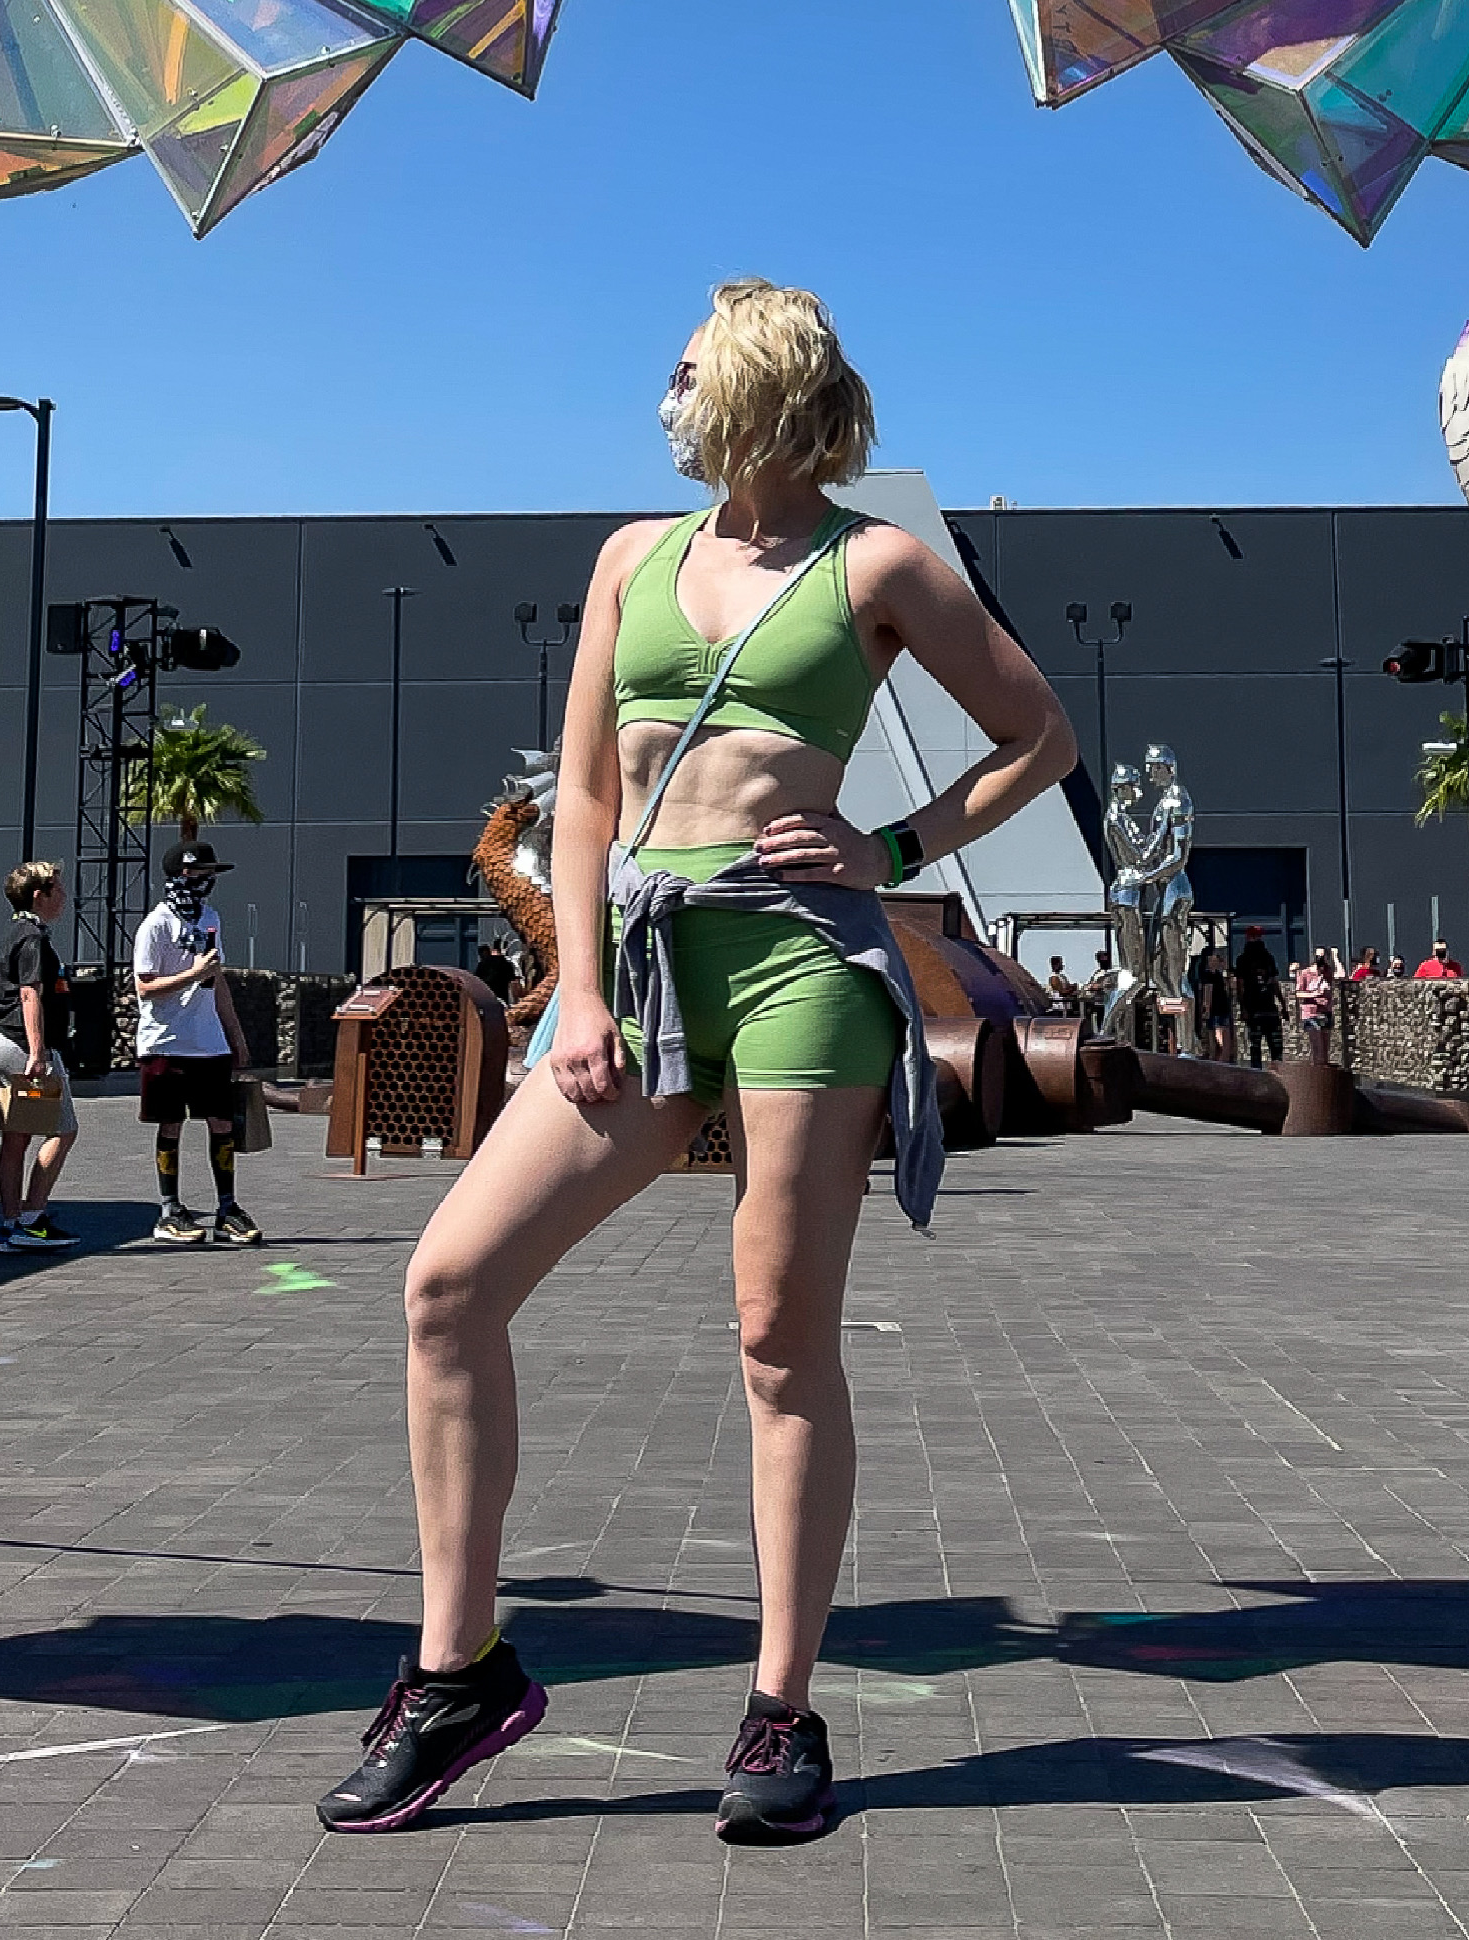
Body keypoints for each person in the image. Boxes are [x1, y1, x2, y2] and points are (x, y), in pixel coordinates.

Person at [317, 278, 1075, 1851]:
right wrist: (576, 989)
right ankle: (456, 1673)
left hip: (804, 960)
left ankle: (781, 1704)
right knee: (448, 1285)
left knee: (777, 1341)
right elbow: (584, 794)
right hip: (644, 967)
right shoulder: (629, 560)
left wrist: (892, 843)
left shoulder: (877, 563)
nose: (660, 402)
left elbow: (1038, 736)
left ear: (749, 389)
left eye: (679, 376)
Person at [134, 841, 260, 1249]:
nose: (207, 883)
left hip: (208, 1041)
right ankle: (169, 1208)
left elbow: (217, 980)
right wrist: (193, 974)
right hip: (166, 1041)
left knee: (221, 1122)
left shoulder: (210, 918)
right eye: (199, 874)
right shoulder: (155, 925)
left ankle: (228, 1207)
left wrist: (235, 1035)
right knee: (171, 1123)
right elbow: (145, 986)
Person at [0, 859, 78, 1253]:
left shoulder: (23, 933)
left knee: (17, 1136)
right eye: (56, 889)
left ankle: (13, 1225)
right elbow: (29, 994)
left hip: (4, 1041)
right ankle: (30, 1216)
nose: (63, 896)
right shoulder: (32, 939)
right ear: (38, 896)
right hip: (23, 1047)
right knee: (63, 1129)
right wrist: (38, 1052)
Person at [1234, 928, 1284, 1067]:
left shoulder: (1267, 957)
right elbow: (1240, 985)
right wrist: (1243, 1008)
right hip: (1254, 1009)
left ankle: (1277, 1075)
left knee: (1275, 1046)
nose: (1256, 939)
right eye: (1254, 936)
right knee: (1256, 1046)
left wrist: (1283, 1005)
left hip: (1267, 1008)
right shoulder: (1244, 959)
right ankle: (1259, 1075)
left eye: (1258, 936)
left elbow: (1274, 982)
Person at [1292, 948, 1335, 1066]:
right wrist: (1313, 994)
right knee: (1317, 1045)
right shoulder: (1305, 973)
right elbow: (1298, 993)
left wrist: (1335, 958)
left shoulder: (1327, 972)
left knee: (1325, 1048)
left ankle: (1324, 1071)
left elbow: (1340, 975)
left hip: (1325, 1011)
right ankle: (1317, 1068)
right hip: (1311, 1012)